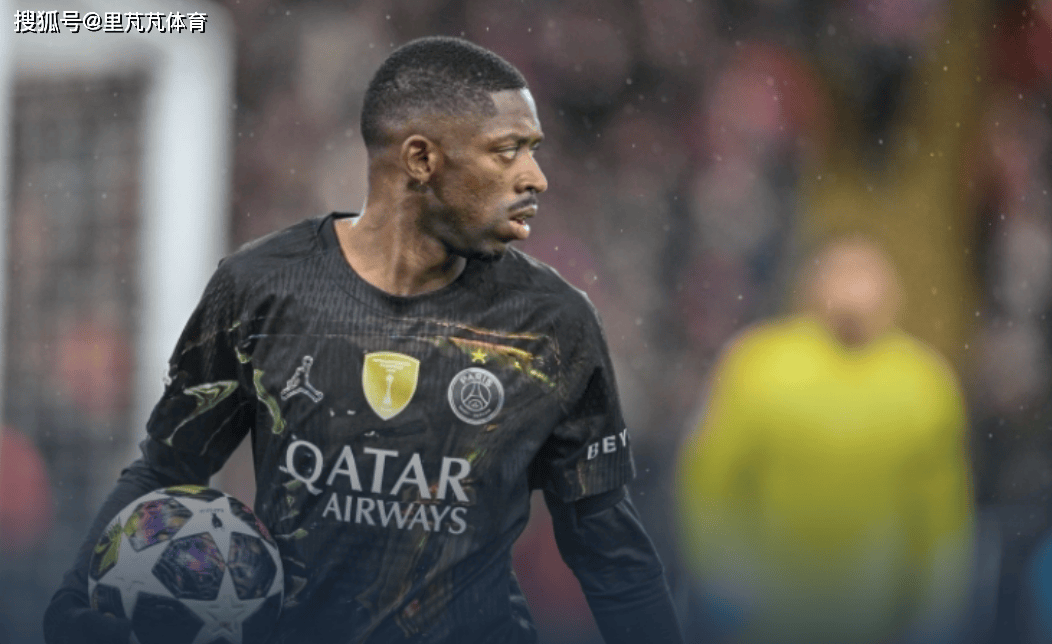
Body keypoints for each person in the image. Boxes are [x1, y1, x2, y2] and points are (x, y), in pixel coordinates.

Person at [43, 36, 682, 644]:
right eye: (508, 151)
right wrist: (74, 599)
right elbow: (168, 466)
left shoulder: (552, 324)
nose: (536, 177)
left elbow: (606, 541)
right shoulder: (260, 289)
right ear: (421, 160)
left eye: (533, 150)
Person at [675, 237, 975, 644]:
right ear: (812, 286)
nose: (855, 290)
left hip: (875, 615)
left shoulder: (923, 383)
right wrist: (724, 578)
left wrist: (938, 602)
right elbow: (710, 480)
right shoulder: (759, 365)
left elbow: (942, 512)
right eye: (844, 273)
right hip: (771, 614)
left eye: (866, 275)